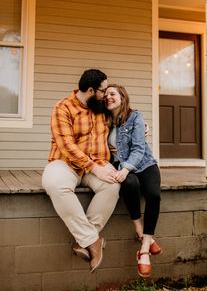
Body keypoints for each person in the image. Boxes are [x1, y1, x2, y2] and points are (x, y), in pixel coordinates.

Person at [42, 69, 120, 273]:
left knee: (112, 185)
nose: (106, 95)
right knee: (55, 184)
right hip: (65, 162)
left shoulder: (101, 107)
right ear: (91, 90)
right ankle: (93, 242)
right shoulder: (63, 108)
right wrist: (92, 167)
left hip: (98, 162)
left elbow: (124, 116)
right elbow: (66, 145)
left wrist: (141, 127)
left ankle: (83, 241)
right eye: (103, 91)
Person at [105, 84, 161, 278]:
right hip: (122, 167)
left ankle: (144, 248)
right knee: (130, 184)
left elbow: (138, 149)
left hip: (144, 163)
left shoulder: (135, 117)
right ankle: (140, 231)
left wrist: (126, 168)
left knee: (153, 195)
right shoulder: (103, 121)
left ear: (122, 97)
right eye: (106, 95)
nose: (108, 97)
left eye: (112, 94)